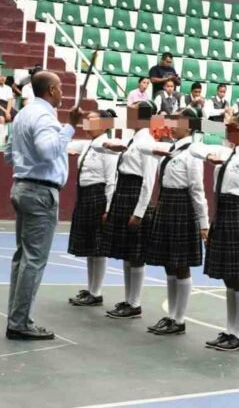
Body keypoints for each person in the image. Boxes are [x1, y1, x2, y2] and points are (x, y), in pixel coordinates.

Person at [3, 70, 83, 340]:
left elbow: (7, 154)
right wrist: (69, 127)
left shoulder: (23, 113)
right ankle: (20, 322)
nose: (62, 92)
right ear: (50, 90)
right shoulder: (46, 116)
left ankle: (16, 317)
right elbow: (48, 151)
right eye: (59, 88)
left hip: (22, 186)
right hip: (40, 191)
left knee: (21, 258)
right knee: (34, 260)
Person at [192, 111, 239, 352]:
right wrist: (212, 157)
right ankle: (229, 330)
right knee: (228, 277)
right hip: (224, 214)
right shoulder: (227, 153)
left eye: (233, 126)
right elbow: (195, 147)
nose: (227, 129)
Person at [143, 108, 209, 335]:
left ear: (189, 125)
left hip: (182, 206)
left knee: (181, 265)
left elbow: (197, 190)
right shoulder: (173, 148)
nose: (172, 123)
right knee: (169, 264)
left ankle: (179, 319)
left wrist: (204, 223)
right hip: (168, 204)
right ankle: (171, 315)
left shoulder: (193, 152)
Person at [94, 104, 158, 320]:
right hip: (124, 193)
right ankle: (128, 299)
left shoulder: (147, 142)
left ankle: (135, 303)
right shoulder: (133, 141)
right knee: (127, 253)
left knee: (136, 254)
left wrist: (139, 212)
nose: (126, 118)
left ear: (141, 118)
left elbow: (148, 181)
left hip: (134, 196)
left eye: (131, 114)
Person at [67, 110, 119, 307]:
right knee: (90, 247)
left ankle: (96, 292)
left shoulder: (108, 147)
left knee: (98, 248)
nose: (87, 124)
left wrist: (108, 207)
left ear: (105, 125)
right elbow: (65, 144)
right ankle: (91, 289)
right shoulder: (88, 144)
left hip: (98, 197)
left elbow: (111, 180)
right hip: (85, 195)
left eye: (92, 121)